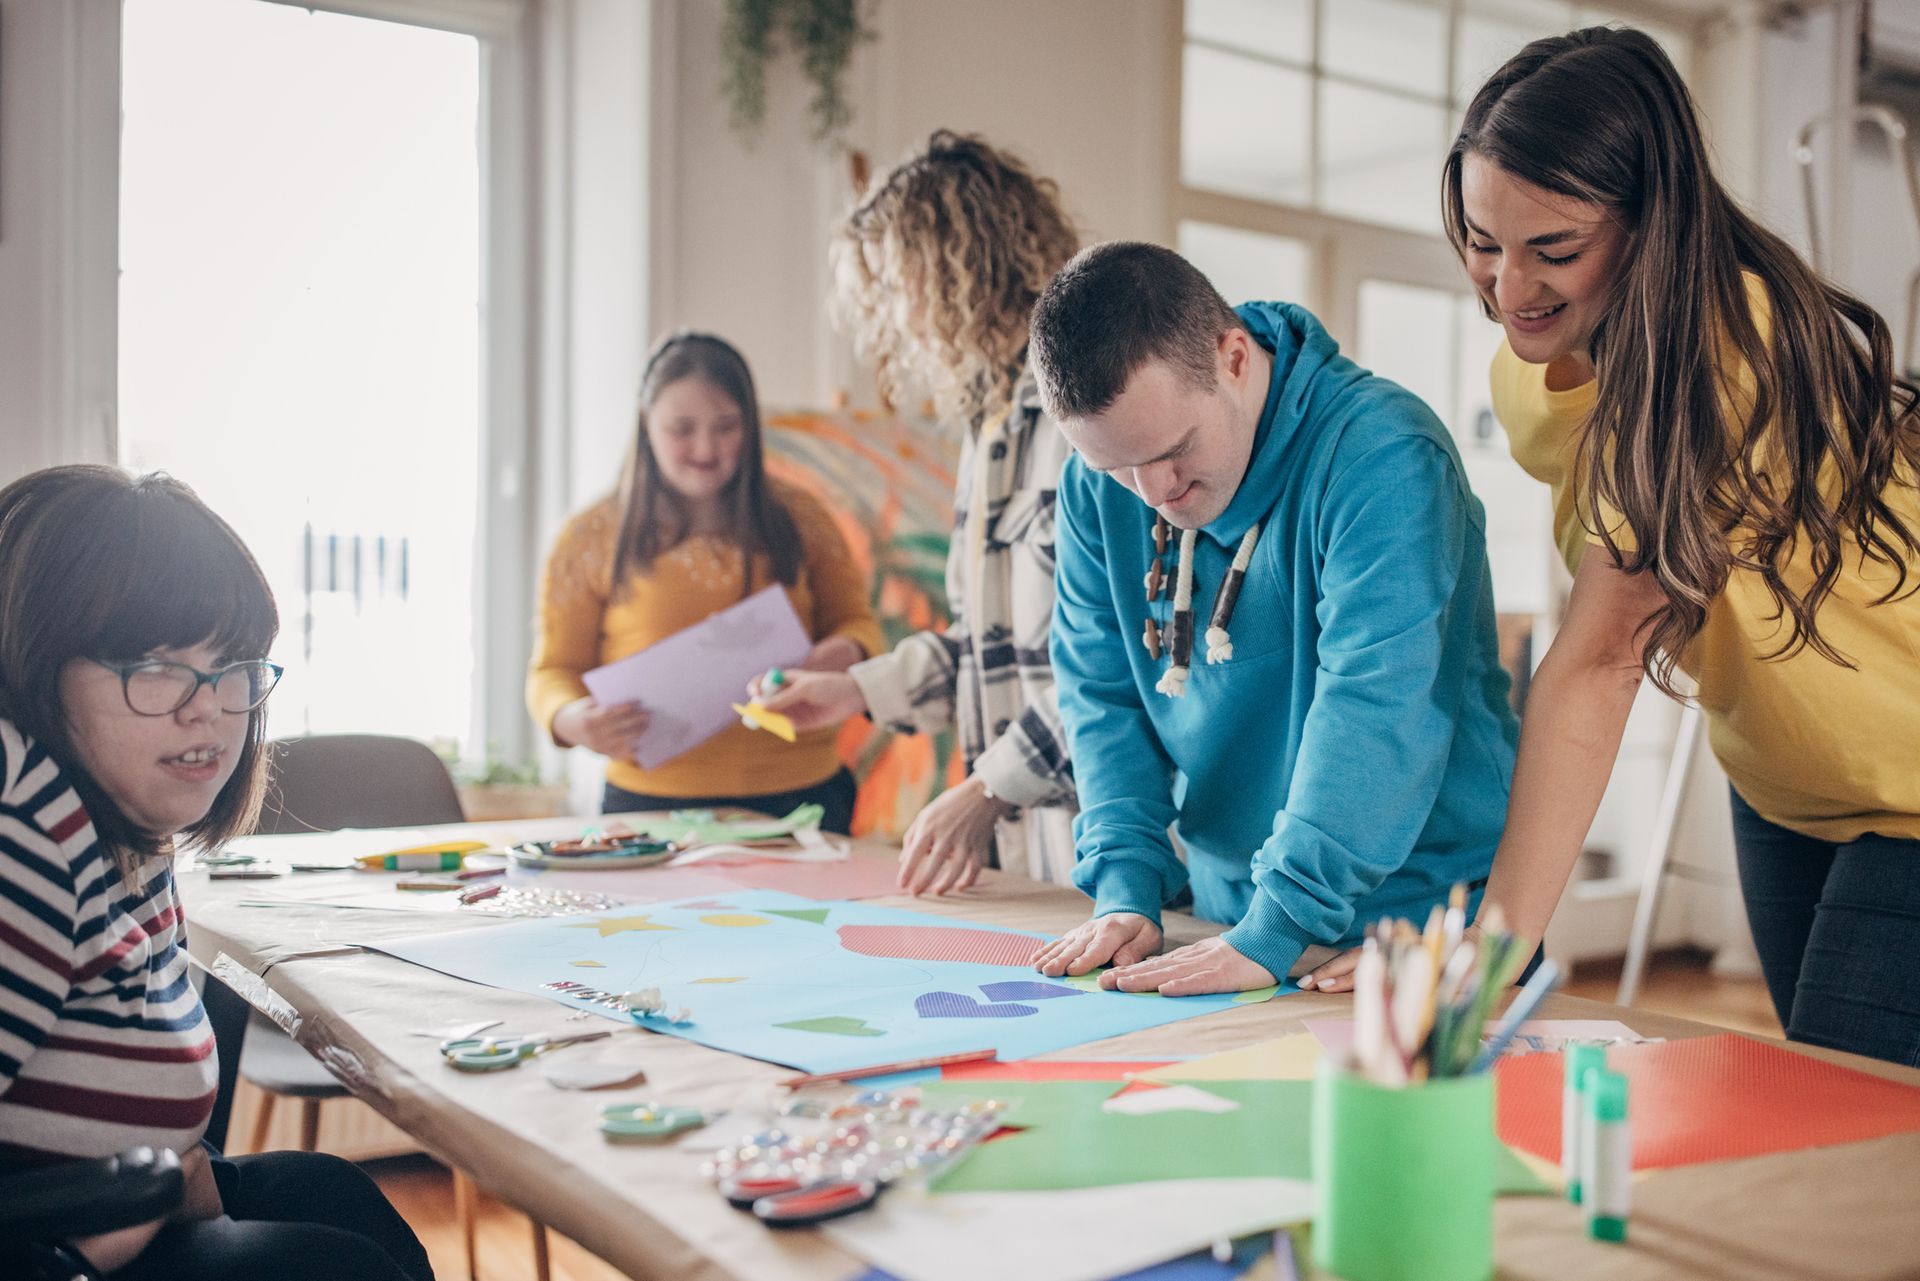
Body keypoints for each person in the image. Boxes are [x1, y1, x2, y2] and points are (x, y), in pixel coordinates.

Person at [1301, 27, 1920, 1065]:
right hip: (1783, 779)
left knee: (1856, 1130)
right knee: (1824, 1103)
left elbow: (1598, 659)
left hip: (1907, 772)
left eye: (1556, 251)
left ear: (1652, 228)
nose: (1508, 289)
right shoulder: (1536, 358)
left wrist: (1484, 956)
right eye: (1484, 242)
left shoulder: (1721, 360)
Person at [1025, 241, 1521, 994]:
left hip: (1413, 929)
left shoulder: (1382, 454)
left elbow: (1376, 705)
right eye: (1117, 468)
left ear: (1232, 357)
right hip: (1231, 926)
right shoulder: (1099, 494)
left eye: (1173, 449)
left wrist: (1281, 921)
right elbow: (1102, 696)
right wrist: (1126, 883)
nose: (1153, 491)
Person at [0, 465, 433, 1280]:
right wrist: (91, 1229)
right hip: (65, 1243)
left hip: (131, 1200)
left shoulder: (128, 828)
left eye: (232, 662)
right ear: (32, 661)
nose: (208, 705)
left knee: (337, 1196)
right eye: (154, 661)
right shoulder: (22, 834)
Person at [754, 130, 1081, 894]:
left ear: (959, 269)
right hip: (1037, 856)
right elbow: (982, 648)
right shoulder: (986, 428)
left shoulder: (1084, 419)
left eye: (898, 286)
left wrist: (990, 785)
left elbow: (1119, 662)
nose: (893, 318)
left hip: (1120, 847)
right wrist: (853, 691)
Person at [528, 331, 883, 834]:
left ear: (750, 426)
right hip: (650, 803)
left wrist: (844, 651)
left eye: (726, 426)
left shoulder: (803, 518)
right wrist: (571, 720)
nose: (705, 447)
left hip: (803, 795)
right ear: (645, 423)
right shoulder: (589, 536)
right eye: (682, 428)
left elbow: (858, 623)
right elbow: (551, 671)